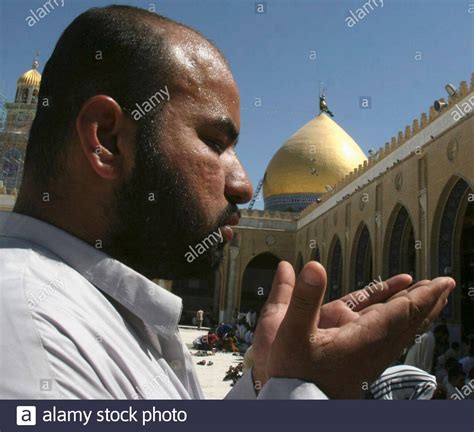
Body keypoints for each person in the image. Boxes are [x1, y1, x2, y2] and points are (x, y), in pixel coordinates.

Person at [0, 5, 455, 400]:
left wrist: (269, 378)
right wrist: (309, 392)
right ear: (107, 139)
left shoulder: (105, 313)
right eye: (215, 142)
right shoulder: (30, 337)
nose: (242, 184)